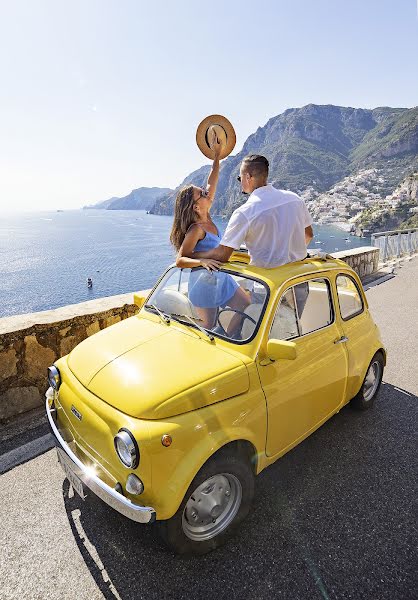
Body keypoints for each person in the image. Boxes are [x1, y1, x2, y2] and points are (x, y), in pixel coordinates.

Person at [192, 154, 314, 314]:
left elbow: (222, 255)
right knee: (292, 329)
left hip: (268, 286)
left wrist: (195, 255)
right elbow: (309, 234)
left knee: (261, 334)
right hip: (297, 281)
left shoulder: (245, 212)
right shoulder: (295, 199)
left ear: (248, 177)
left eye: (240, 177)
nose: (240, 181)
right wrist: (287, 254)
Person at [170, 134, 250, 332]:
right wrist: (202, 262)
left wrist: (216, 155)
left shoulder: (208, 216)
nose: (207, 193)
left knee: (245, 306)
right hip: (204, 283)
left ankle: (229, 336)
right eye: (202, 194)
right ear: (196, 207)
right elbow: (181, 260)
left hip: (222, 278)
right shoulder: (196, 229)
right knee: (208, 327)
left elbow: (212, 178)